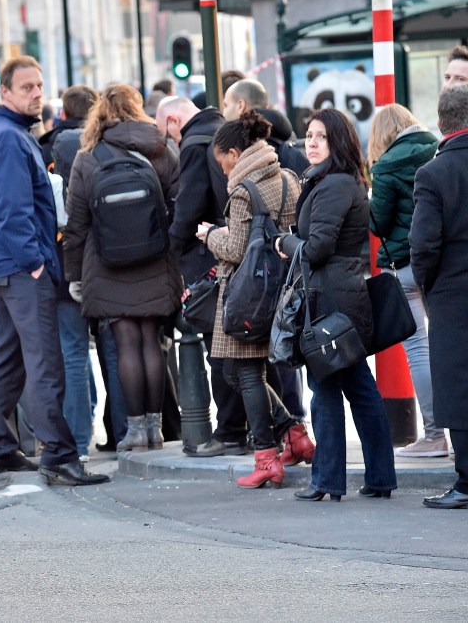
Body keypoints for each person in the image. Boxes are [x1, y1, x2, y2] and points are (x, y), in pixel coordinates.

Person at [0, 56, 109, 486]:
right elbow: (11, 211)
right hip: (20, 267)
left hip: (3, 267)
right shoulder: (9, 137)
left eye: (40, 86)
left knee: (8, 360)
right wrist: (33, 263)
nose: (36, 94)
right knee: (44, 361)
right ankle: (58, 455)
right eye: (27, 87)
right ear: (5, 92)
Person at [276, 108, 397, 502]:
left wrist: (285, 243)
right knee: (359, 387)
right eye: (308, 135)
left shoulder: (333, 186)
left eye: (320, 137)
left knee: (325, 388)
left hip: (329, 301)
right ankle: (378, 477)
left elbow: (317, 249)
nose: (310, 143)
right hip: (339, 296)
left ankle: (327, 480)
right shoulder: (335, 181)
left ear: (337, 142)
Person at [63, 83, 181, 453]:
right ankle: (156, 427)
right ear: (138, 108)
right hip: (155, 256)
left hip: (108, 261)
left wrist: (75, 275)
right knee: (153, 342)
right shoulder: (163, 147)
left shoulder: (88, 157)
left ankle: (133, 431)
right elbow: (179, 204)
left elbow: (76, 223)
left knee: (127, 343)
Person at [196, 110, 312, 488]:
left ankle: (266, 457)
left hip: (249, 294)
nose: (224, 170)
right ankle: (293, 434)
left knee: (244, 372)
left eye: (223, 161)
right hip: (283, 289)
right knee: (248, 371)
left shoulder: (245, 190)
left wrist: (211, 234)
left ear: (234, 152)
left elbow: (237, 247)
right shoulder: (288, 179)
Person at [157, 95, 251, 457]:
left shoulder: (195, 146)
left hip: (212, 260)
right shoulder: (219, 132)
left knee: (220, 348)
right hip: (241, 254)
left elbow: (190, 207)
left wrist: (175, 243)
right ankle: (263, 429)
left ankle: (230, 431)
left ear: (173, 122)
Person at [367, 104, 442, 458]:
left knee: (417, 350)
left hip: (406, 265)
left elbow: (377, 221)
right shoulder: (438, 148)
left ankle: (434, 434)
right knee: (451, 345)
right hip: (443, 263)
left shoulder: (385, 166)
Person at [411, 84, 468, 509]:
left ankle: (466, 483)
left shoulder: (434, 174)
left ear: (441, 124)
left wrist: (428, 284)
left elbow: (424, 245)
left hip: (453, 292)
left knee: (458, 384)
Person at [41, 84, 100, 459]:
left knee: (73, 351)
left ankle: (79, 439)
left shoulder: (47, 155)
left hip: (61, 265)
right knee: (106, 348)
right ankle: (120, 426)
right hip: (100, 263)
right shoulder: (97, 155)